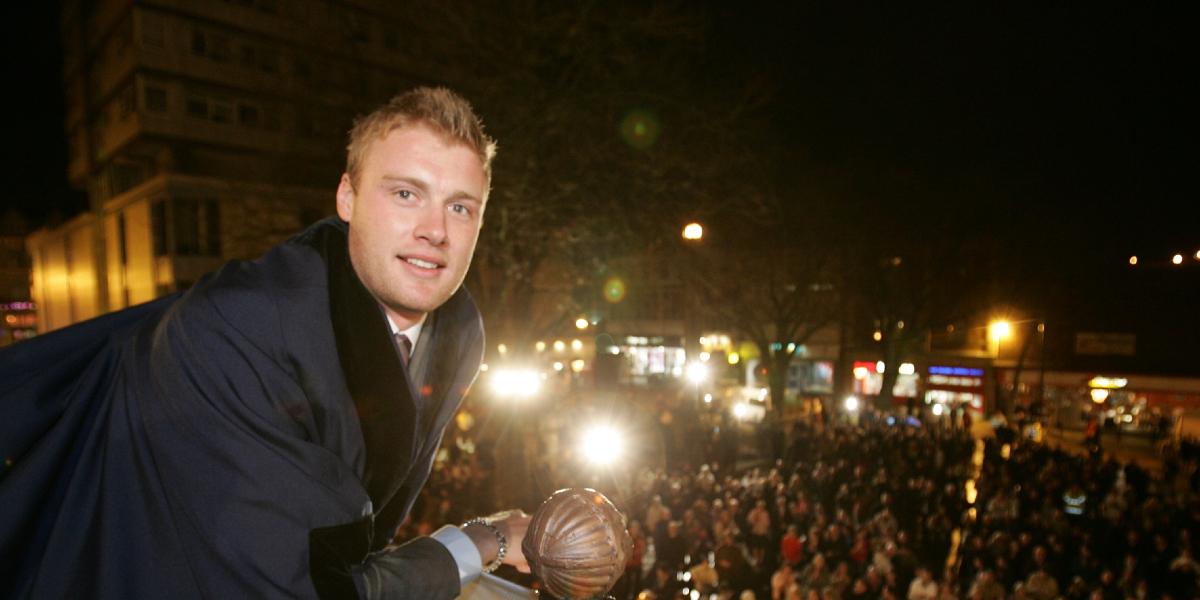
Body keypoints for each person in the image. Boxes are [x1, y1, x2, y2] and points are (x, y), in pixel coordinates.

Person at [0, 87, 530, 599]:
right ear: (347, 197)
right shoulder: (239, 329)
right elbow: (301, 586)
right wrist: (486, 539)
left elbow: (361, 531)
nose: (435, 230)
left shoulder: (459, 329)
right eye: (406, 194)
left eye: (460, 207)